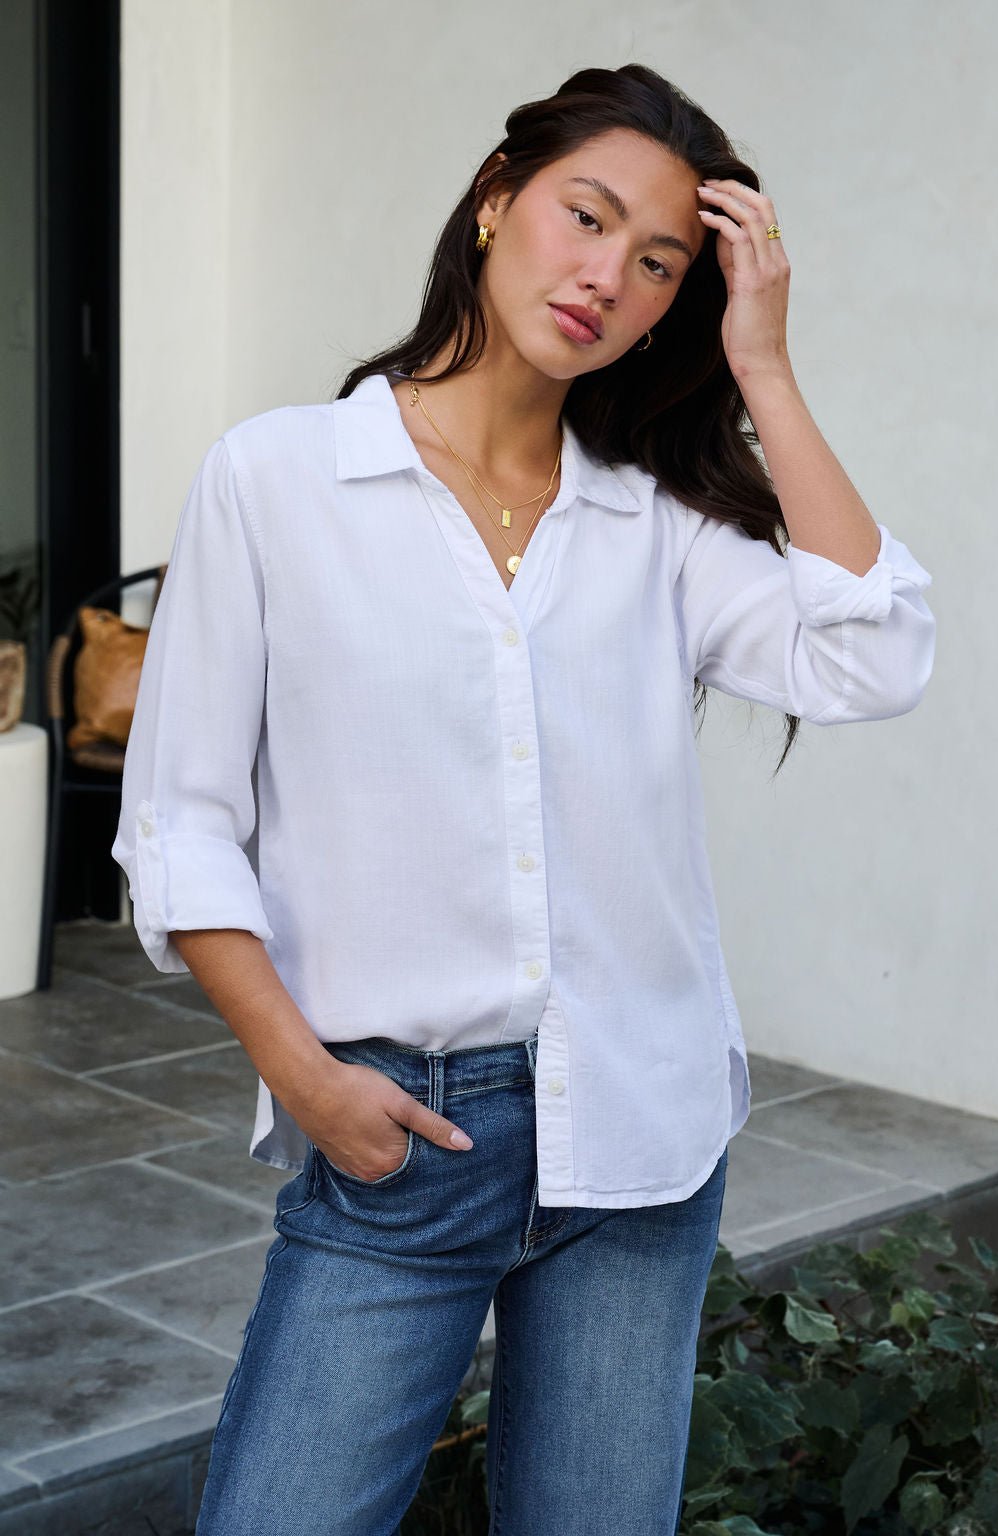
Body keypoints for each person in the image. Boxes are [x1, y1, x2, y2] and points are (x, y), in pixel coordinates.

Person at [111, 61, 935, 1536]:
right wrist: (307, 1081)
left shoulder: (657, 519)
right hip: (400, 1130)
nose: (608, 275)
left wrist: (765, 368)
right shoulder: (280, 479)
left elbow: (871, 653)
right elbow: (181, 828)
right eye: (587, 216)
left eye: (660, 261)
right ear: (498, 203)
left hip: (642, 1135)